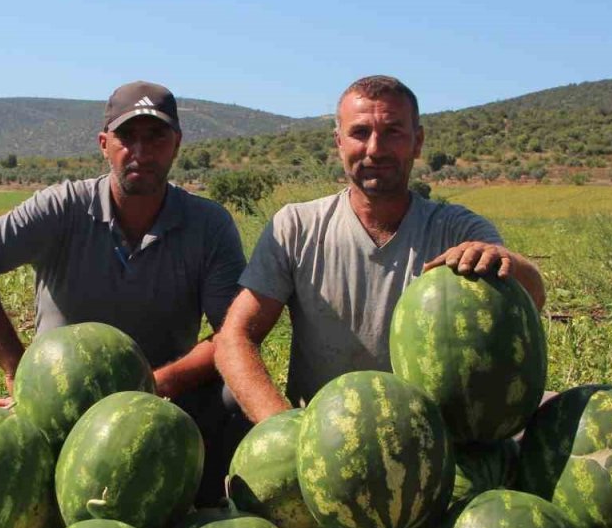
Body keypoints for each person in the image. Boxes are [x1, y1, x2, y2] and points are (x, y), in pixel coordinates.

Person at [0, 80, 249, 502]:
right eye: (126, 136)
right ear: (104, 144)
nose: (140, 151)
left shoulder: (208, 225)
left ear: (176, 145)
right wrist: (19, 373)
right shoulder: (62, 207)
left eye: (156, 136)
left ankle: (207, 511)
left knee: (233, 398)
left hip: (162, 401)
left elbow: (231, 335)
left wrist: (156, 384)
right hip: (61, 406)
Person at [215, 75, 546, 423]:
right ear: (339, 142)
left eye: (393, 132)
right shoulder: (297, 227)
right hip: (324, 434)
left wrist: (507, 261)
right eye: (360, 133)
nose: (375, 149)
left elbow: (532, 296)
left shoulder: (458, 229)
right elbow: (234, 336)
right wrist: (280, 426)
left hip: (434, 439)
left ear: (417, 142)